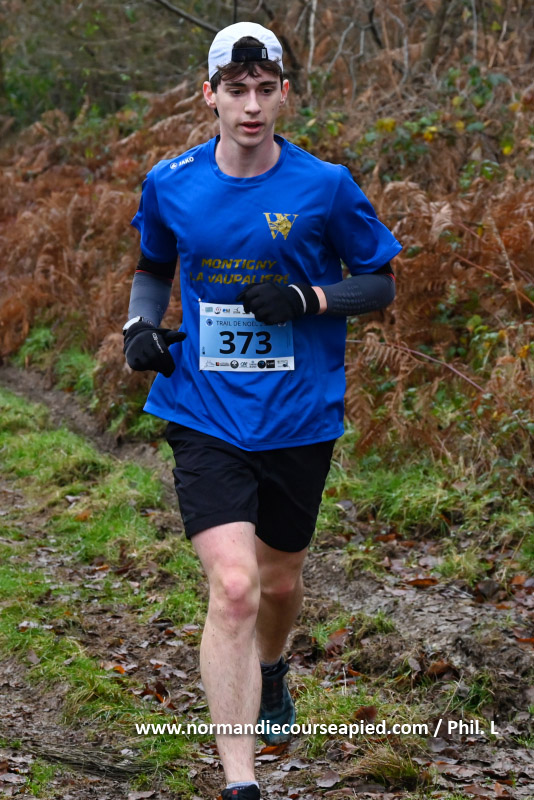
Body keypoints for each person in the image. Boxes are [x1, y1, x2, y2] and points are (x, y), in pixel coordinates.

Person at [123, 20, 401, 800]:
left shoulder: (326, 186)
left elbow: (378, 283)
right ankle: (240, 781)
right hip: (203, 410)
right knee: (237, 587)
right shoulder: (171, 182)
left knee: (278, 585)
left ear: (284, 94)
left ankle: (272, 670)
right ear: (208, 94)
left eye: (265, 90)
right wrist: (138, 327)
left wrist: (308, 299)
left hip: (299, 415)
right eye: (236, 90)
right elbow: (153, 266)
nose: (251, 105)